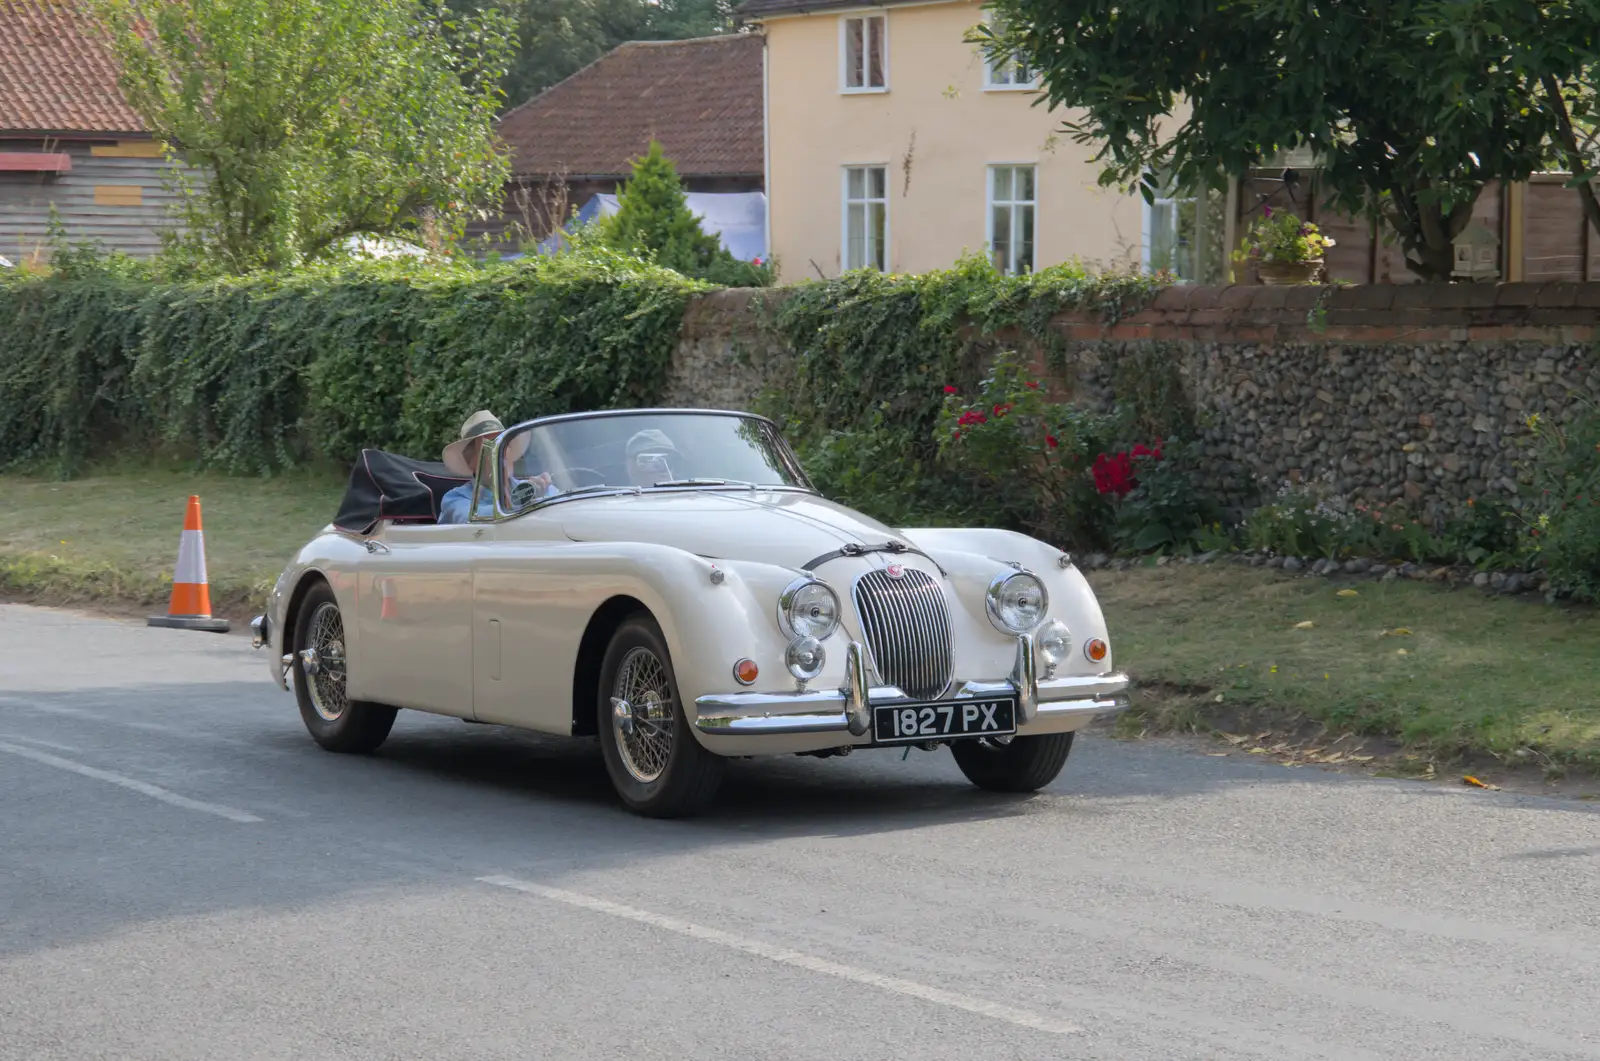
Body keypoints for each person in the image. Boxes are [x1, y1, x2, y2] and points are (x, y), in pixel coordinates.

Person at [438, 410, 554, 523]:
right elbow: (470, 518)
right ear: (470, 461)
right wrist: (524, 499)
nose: (501, 453)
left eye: (505, 445)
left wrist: (541, 490)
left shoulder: (534, 488)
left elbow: (565, 505)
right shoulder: (455, 499)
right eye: (489, 447)